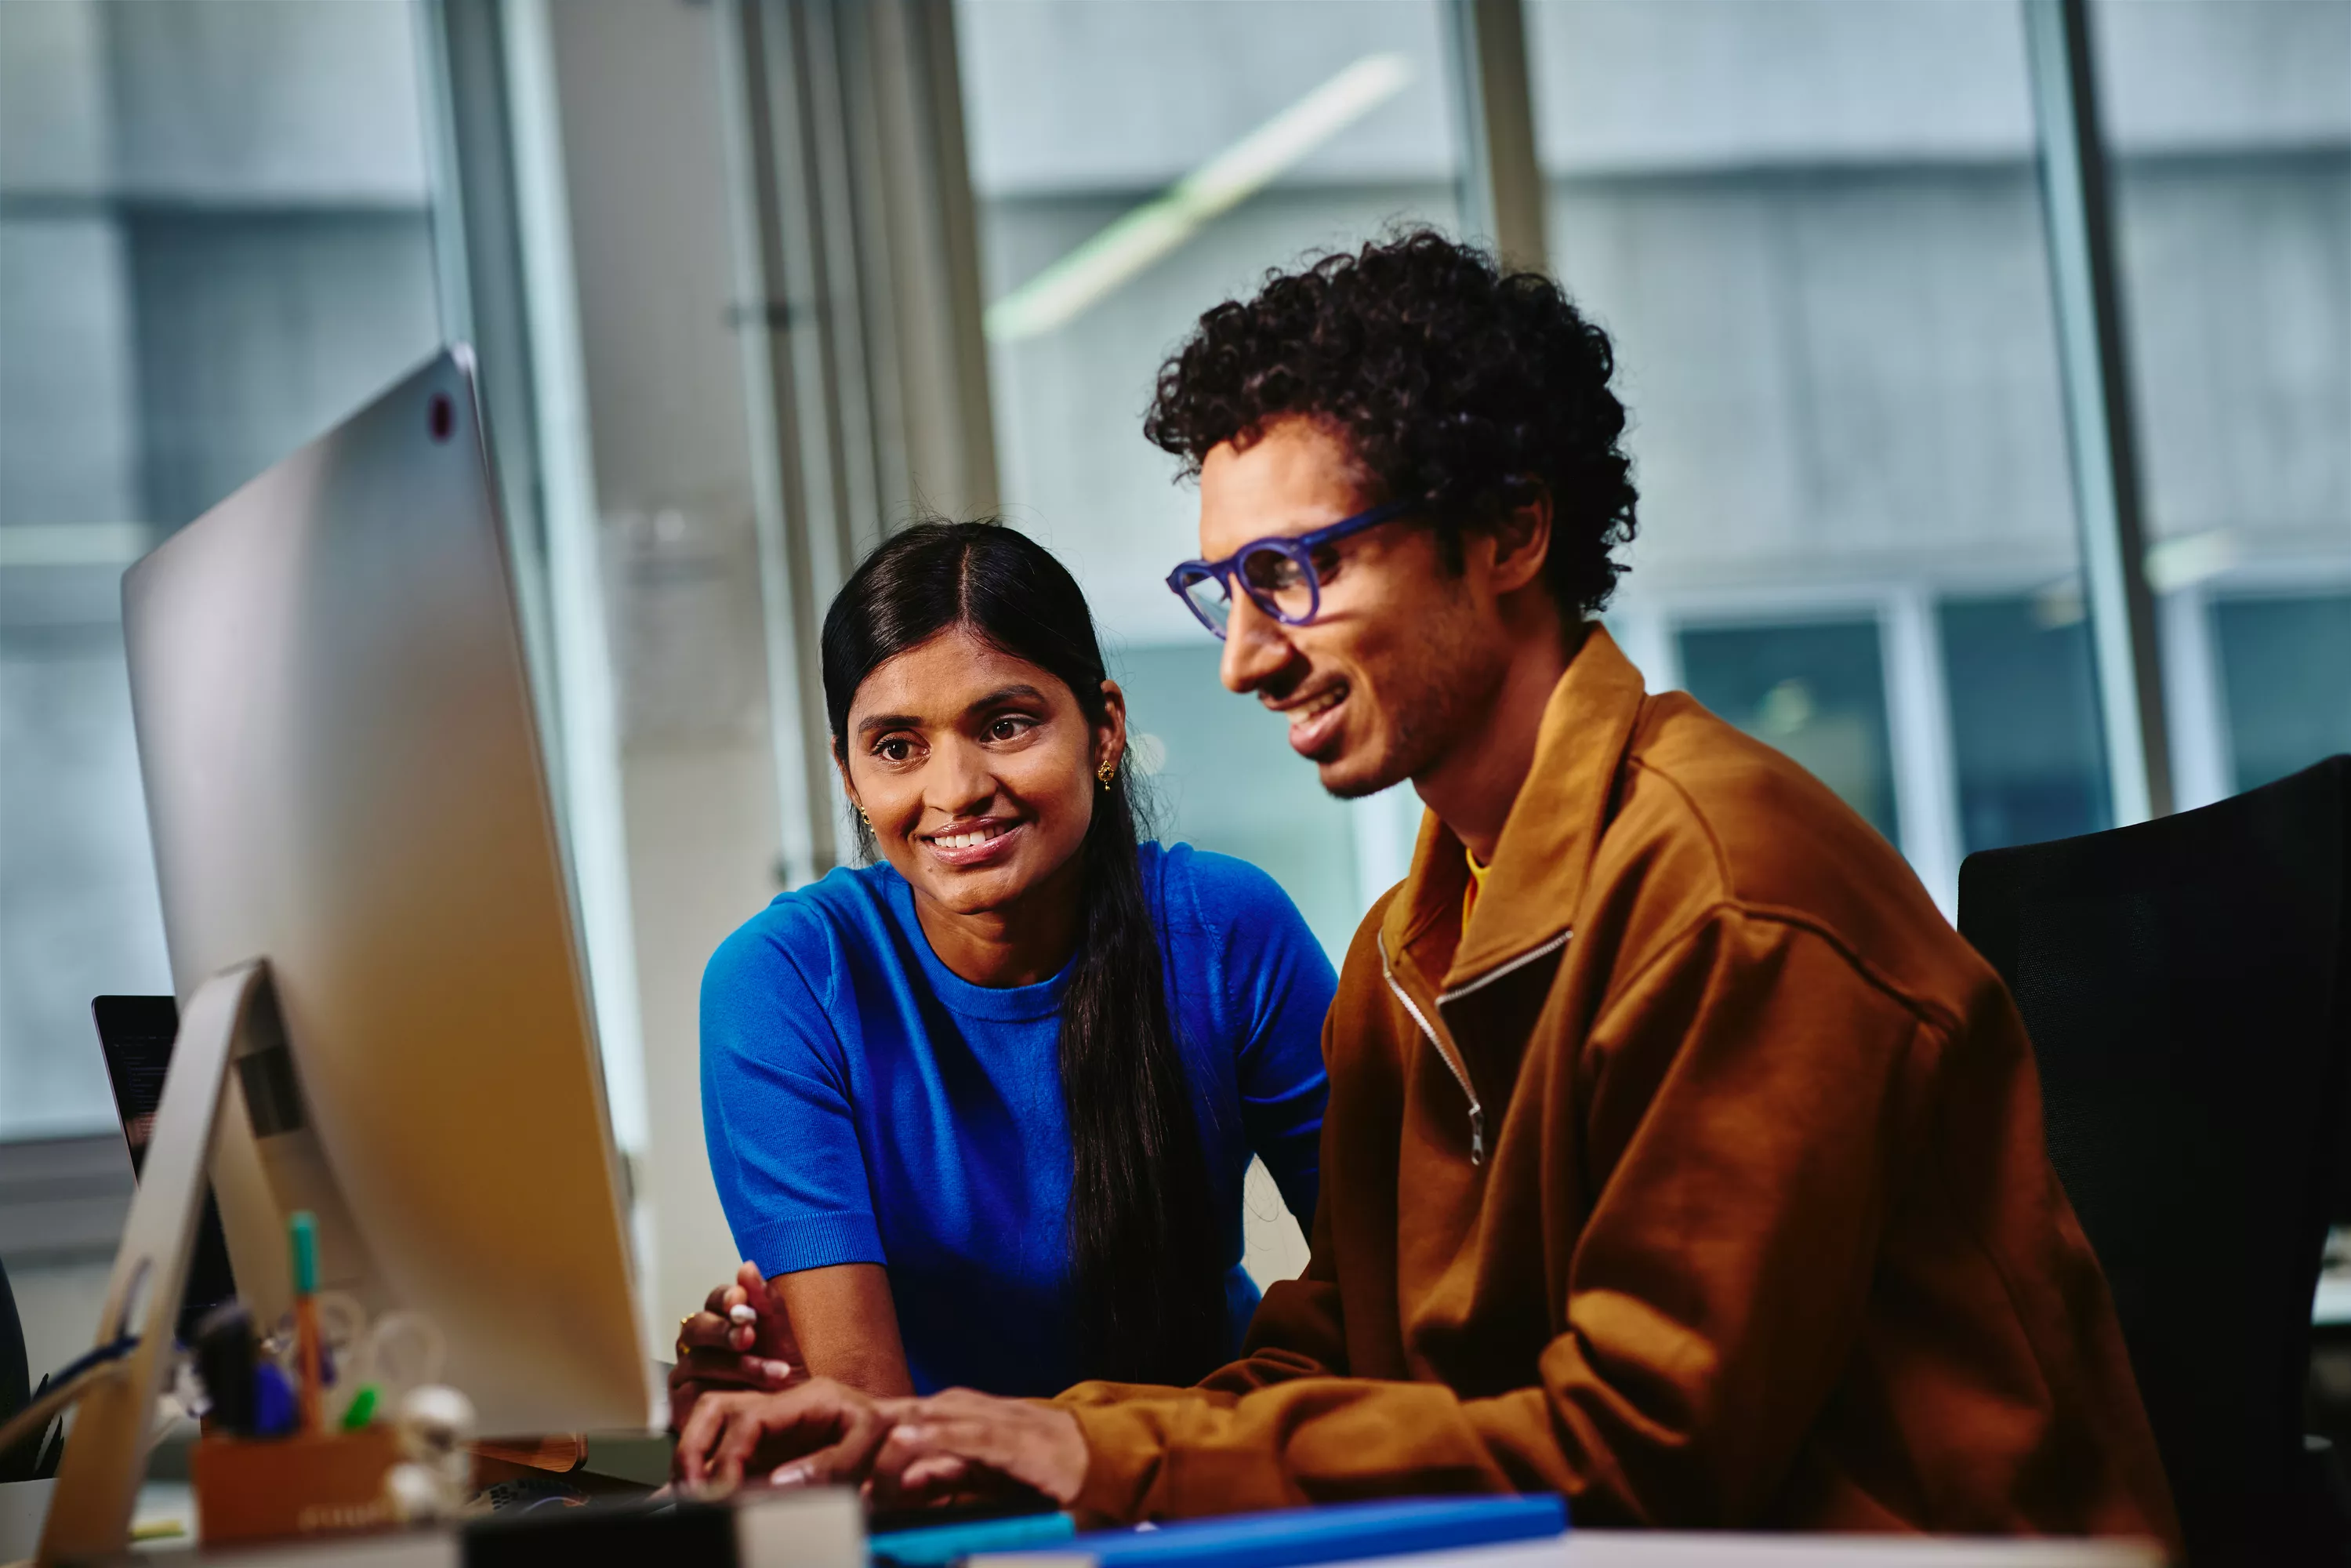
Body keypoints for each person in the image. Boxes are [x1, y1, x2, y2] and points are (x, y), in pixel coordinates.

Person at [672, 234, 2181, 1547]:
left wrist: (1084, 1446)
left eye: (1297, 573)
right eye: (1227, 592)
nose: (1247, 658)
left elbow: (1645, 1447)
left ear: (1508, 534)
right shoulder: (1422, 933)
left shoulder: (1723, 893)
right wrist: (1011, 1442)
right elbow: (1359, 1356)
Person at [674, 521, 1333, 1421]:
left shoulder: (1226, 929)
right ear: (849, 774)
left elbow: (1385, 1288)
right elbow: (863, 1411)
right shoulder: (785, 982)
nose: (955, 789)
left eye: (1006, 724)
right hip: (945, 1510)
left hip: (1209, 1475)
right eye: (897, 747)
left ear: (1104, 730)